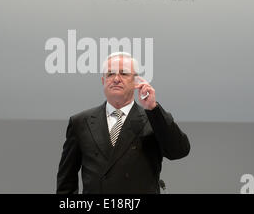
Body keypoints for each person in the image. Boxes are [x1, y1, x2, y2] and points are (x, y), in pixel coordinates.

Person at [56, 52, 190, 194]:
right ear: (103, 81)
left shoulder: (153, 119)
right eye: (110, 74)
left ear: (136, 81)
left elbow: (179, 151)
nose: (116, 79)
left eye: (124, 74)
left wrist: (153, 108)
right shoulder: (80, 122)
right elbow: (66, 182)